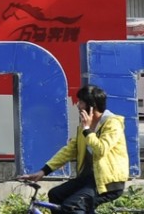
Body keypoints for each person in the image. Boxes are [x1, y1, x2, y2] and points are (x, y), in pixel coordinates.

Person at [21, 84, 129, 214]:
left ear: (91, 106)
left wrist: (87, 130)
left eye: (81, 102)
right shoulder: (83, 127)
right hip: (88, 179)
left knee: (72, 206)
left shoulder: (112, 124)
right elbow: (69, 151)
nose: (78, 105)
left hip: (108, 183)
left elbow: (101, 149)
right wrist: (43, 171)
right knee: (55, 195)